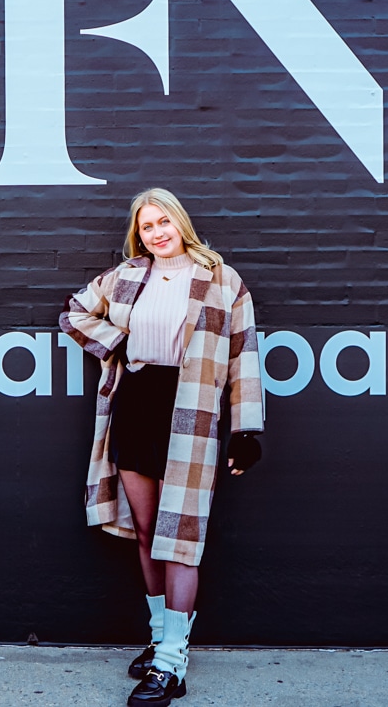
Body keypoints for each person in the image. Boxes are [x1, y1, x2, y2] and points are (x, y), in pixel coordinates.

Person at [60, 188, 264, 707]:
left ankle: (173, 662)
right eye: (147, 225)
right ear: (139, 233)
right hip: (135, 406)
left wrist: (246, 429)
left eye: (164, 221)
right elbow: (74, 314)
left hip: (190, 412)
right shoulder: (126, 276)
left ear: (181, 223)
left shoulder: (222, 280)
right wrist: (118, 342)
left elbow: (244, 356)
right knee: (148, 529)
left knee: (180, 534)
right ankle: (158, 640)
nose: (157, 232)